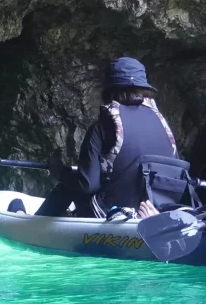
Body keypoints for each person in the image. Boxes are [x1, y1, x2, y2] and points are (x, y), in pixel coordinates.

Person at [31, 57, 180, 218]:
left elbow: (87, 185)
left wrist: (58, 171)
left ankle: (31, 227)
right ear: (144, 88)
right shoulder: (162, 124)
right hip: (154, 212)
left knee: (68, 186)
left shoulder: (103, 126)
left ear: (108, 90)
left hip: (114, 215)